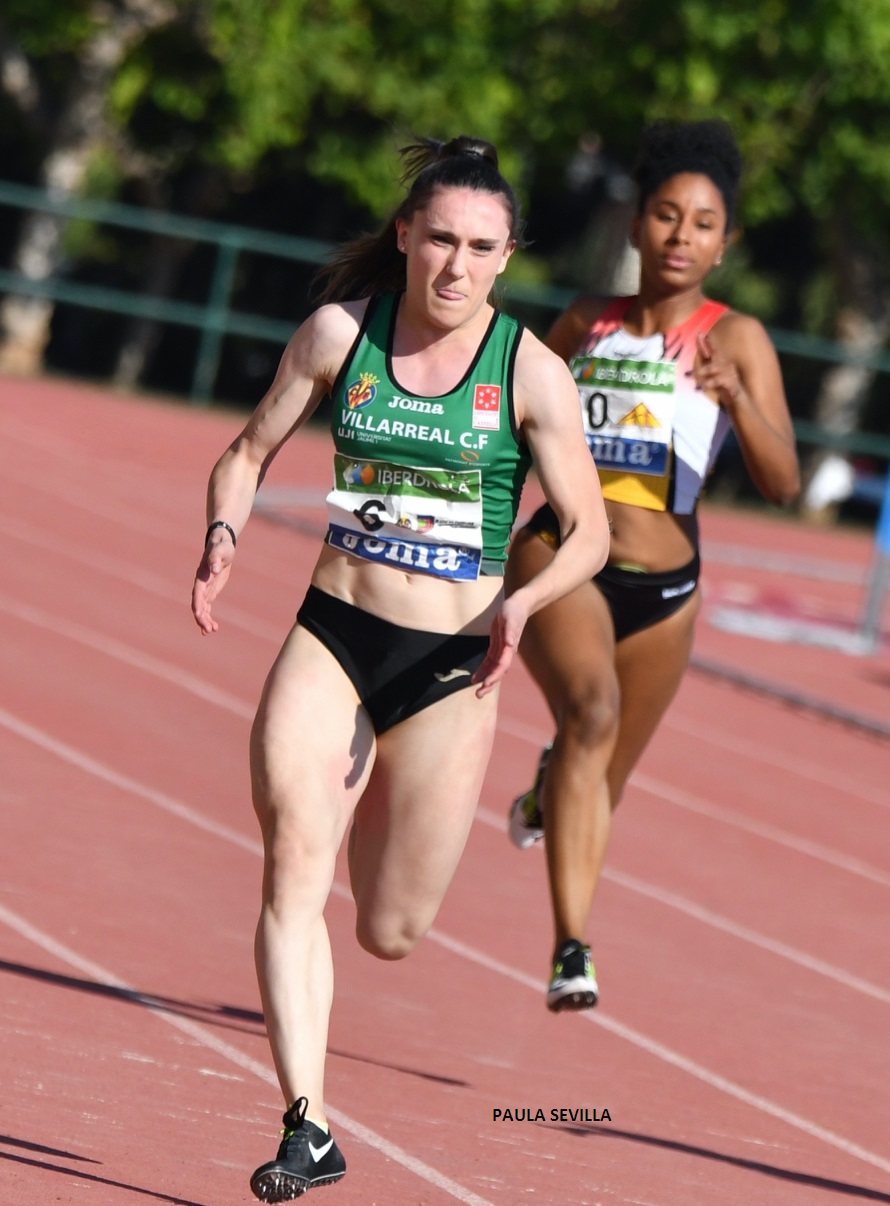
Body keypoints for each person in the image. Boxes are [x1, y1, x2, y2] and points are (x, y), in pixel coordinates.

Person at [191, 134, 609, 1201]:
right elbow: (245, 454)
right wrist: (224, 539)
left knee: (388, 928)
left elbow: (588, 532)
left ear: (506, 255)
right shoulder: (341, 334)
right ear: (405, 238)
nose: (455, 267)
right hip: (333, 633)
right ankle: (306, 1124)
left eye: (479, 248)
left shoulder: (529, 371)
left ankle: (409, 808)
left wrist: (524, 597)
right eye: (438, 242)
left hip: (449, 671)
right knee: (293, 863)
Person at [505, 119, 800, 1013]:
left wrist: (739, 399)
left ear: (727, 242)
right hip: (565, 556)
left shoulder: (737, 339)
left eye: (703, 223)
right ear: (636, 226)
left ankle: (547, 792)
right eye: (666, 216)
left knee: (600, 777)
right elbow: (517, 440)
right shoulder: (583, 324)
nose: (681, 236)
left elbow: (783, 482)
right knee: (590, 713)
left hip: (667, 591)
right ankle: (571, 950)